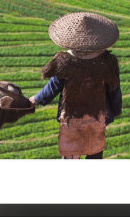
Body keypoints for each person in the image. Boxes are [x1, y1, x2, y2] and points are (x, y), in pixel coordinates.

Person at [29, 12, 122, 159]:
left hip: (71, 116)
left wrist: (37, 99)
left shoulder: (66, 62)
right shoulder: (108, 62)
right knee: (95, 151)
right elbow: (114, 89)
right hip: (98, 115)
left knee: (71, 152)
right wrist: (116, 110)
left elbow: (53, 86)